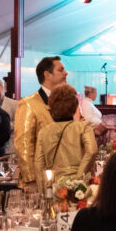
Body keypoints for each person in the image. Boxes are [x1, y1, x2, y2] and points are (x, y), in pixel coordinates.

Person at [15, 56, 68, 189]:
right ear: (47, 74)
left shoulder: (67, 102)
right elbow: (24, 145)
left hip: (66, 178)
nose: (66, 73)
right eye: (60, 70)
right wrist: (31, 180)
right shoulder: (29, 104)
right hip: (41, 181)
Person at [34, 85, 97, 182]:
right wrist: (79, 178)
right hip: (79, 186)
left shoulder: (43, 132)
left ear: (51, 106)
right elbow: (92, 151)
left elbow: (39, 165)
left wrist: (44, 189)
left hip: (54, 183)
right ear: (75, 106)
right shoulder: (83, 127)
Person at [0, 78, 18, 155]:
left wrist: (5, 125)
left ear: (2, 87)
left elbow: (19, 123)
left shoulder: (14, 104)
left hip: (9, 147)